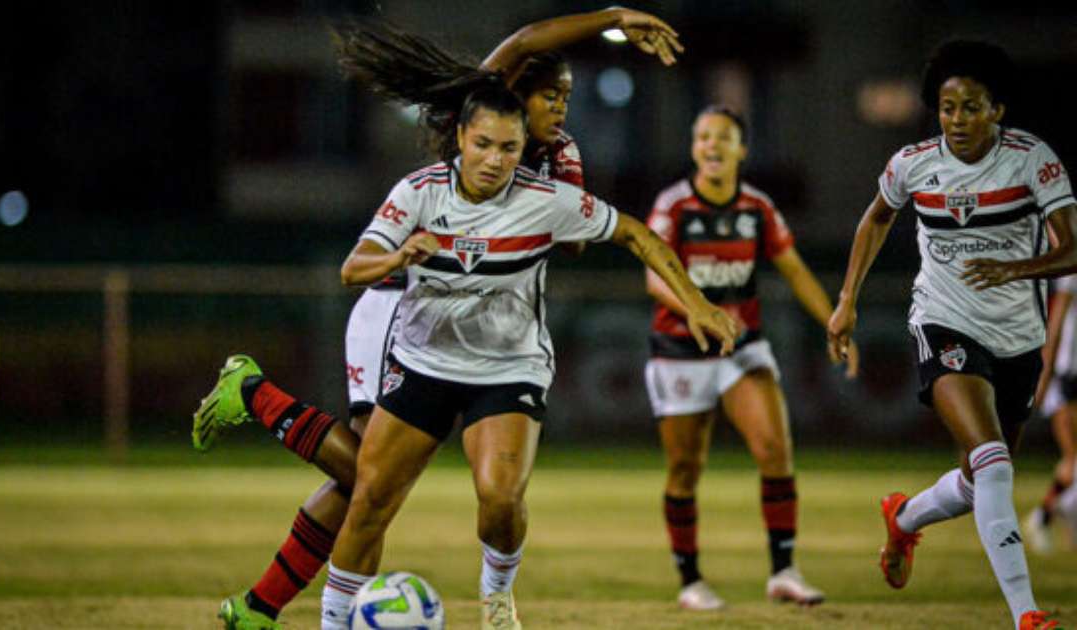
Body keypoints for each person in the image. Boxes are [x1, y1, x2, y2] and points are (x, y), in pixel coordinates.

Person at [191, 10, 693, 630]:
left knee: (369, 487)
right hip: (398, 304)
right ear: (504, 102)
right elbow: (525, 42)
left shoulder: (556, 156)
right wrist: (613, 17)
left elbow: (575, 244)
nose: (561, 108)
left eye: (566, 97)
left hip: (482, 336)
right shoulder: (474, 120)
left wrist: (555, 196)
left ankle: (262, 607)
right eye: (549, 95)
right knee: (366, 481)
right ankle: (256, 396)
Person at [826, 40, 1075, 630]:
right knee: (993, 463)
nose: (956, 120)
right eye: (946, 107)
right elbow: (878, 214)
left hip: (1018, 339)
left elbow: (1073, 247)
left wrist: (1014, 269)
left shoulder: (1031, 160)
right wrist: (846, 301)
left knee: (977, 478)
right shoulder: (913, 163)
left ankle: (905, 517)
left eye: (970, 107)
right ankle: (1026, 614)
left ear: (997, 110)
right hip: (943, 322)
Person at [644, 106, 849, 611]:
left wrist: (834, 321)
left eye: (724, 137)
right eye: (703, 136)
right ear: (694, 147)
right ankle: (690, 579)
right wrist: (702, 310)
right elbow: (653, 277)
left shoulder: (757, 206)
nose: (712, 145)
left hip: (743, 347)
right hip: (679, 351)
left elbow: (795, 269)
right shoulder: (673, 205)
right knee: (686, 469)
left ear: (742, 149)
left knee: (776, 451)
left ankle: (783, 572)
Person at [1023, 274, 1077, 553]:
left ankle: (1051, 514)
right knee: (1072, 459)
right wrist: (1044, 376)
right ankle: (1049, 515)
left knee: (1072, 461)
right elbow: (1055, 327)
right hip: (1070, 374)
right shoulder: (1073, 268)